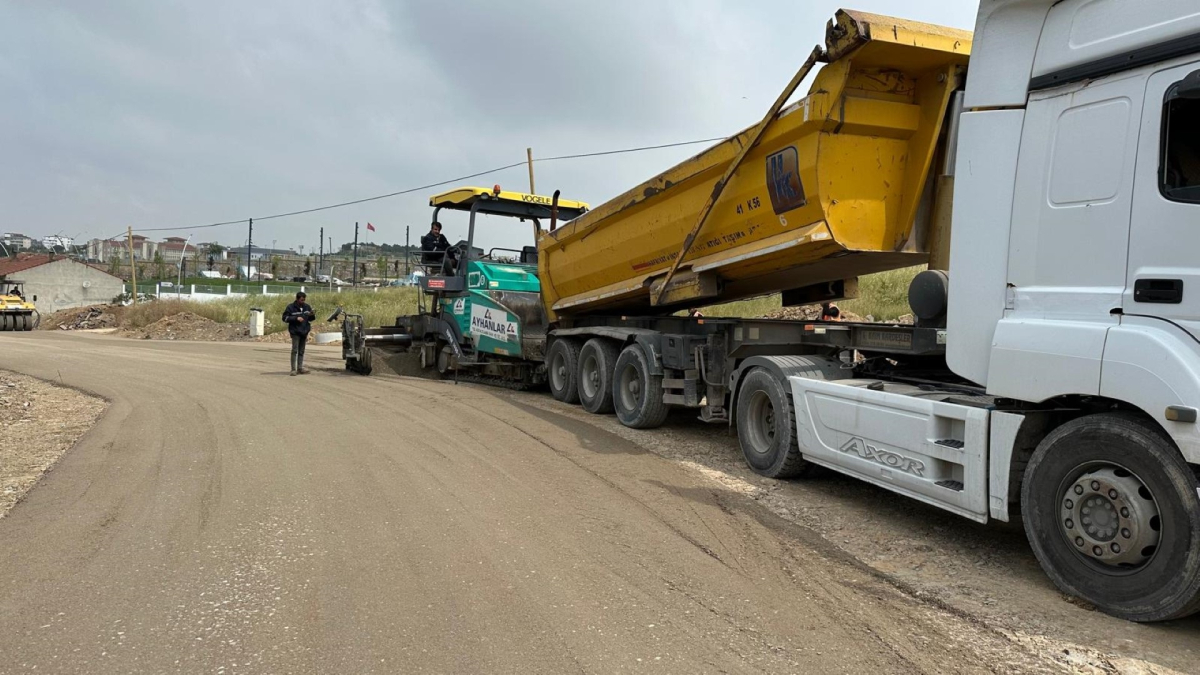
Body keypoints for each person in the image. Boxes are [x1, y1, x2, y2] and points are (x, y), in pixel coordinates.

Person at [283, 291, 315, 375]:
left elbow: (311, 319)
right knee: (295, 350)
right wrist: (296, 318)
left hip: (304, 332)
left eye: (304, 300)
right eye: (301, 300)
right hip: (295, 331)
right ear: (297, 299)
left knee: (301, 351)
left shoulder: (307, 307)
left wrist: (312, 314)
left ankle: (300, 368)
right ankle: (293, 369)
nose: (303, 302)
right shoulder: (290, 307)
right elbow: (285, 318)